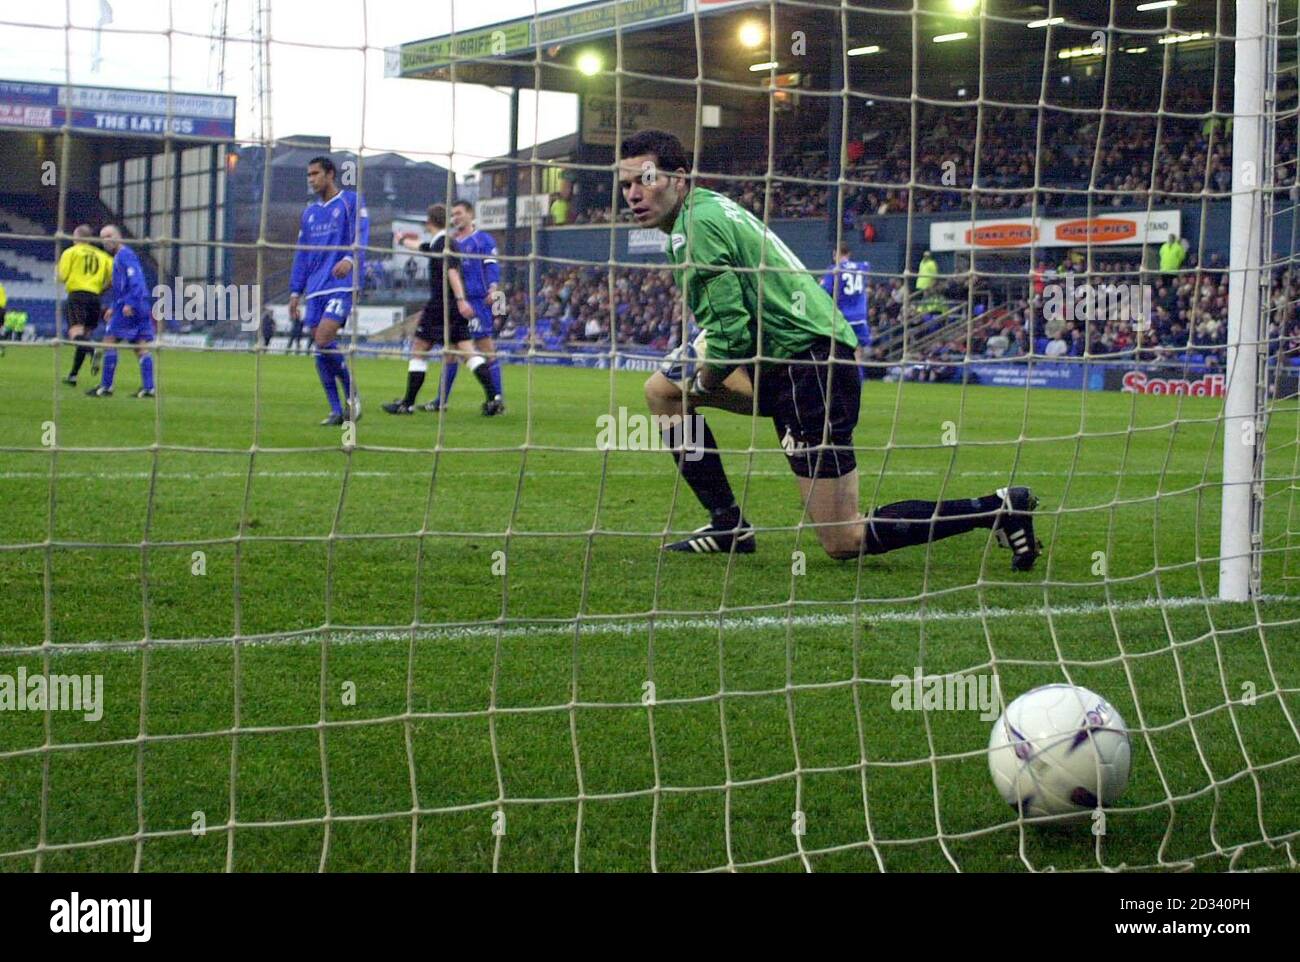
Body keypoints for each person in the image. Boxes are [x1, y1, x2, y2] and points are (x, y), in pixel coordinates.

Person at [620, 129, 1040, 568]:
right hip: (793, 355)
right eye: (626, 185)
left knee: (844, 538)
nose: (633, 194)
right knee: (663, 391)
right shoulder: (705, 209)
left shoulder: (694, 227)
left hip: (809, 368)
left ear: (679, 178)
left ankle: (997, 507)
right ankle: (727, 523)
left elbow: (732, 338)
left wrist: (707, 383)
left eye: (645, 179)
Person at [382, 204, 494, 414]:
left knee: (419, 349)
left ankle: (407, 403)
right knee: (468, 352)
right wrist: (402, 240)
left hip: (440, 305)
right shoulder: (440, 242)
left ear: (428, 222)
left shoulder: (443, 243)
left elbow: (451, 272)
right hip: (452, 307)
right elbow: (419, 246)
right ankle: (493, 397)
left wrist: (461, 299)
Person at [288, 155, 369, 425]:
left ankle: (352, 393)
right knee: (320, 349)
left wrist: (350, 259)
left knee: (323, 338)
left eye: (315, 174)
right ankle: (336, 410)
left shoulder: (350, 202)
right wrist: (294, 292)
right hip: (315, 289)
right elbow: (302, 255)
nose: (311, 179)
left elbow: (362, 234)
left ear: (330, 174)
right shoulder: (309, 213)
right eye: (308, 175)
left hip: (341, 285)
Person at [426, 200, 504, 415]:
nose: (455, 217)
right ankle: (441, 401)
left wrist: (493, 288)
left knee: (487, 349)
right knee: (450, 352)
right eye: (453, 214)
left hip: (477, 301)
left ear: (470, 214)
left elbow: (492, 265)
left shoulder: (482, 240)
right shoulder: (451, 242)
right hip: (456, 302)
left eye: (459, 213)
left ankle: (497, 400)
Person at [85, 225, 155, 398]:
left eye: (109, 235)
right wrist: (112, 307)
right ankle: (149, 388)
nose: (106, 240)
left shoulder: (125, 255)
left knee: (109, 341)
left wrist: (129, 303)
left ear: (119, 236)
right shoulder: (121, 256)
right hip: (136, 305)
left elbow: (136, 281)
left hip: (131, 306)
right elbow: (122, 287)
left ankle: (106, 387)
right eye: (102, 237)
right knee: (140, 347)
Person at [58, 225, 114, 385]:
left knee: (76, 335)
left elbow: (62, 276)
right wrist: (101, 288)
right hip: (95, 298)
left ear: (76, 238)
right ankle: (73, 375)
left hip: (77, 295)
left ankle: (93, 349)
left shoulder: (71, 252)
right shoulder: (103, 256)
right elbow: (113, 279)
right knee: (85, 336)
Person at [820, 243, 871, 375]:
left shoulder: (834, 270)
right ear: (849, 254)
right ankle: (858, 389)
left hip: (843, 319)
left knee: (836, 355)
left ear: (835, 254)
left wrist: (821, 284)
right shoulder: (862, 267)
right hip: (860, 318)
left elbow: (825, 292)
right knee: (858, 355)